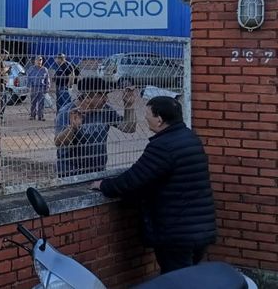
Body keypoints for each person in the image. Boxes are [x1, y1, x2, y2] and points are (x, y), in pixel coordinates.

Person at [91, 96, 216, 275]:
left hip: (177, 232)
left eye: (148, 114)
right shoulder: (190, 138)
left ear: (159, 119)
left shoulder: (163, 146)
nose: (145, 117)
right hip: (200, 227)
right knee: (190, 278)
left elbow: (133, 180)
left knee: (176, 280)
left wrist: (104, 185)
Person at [54, 77, 137, 178]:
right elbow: (59, 143)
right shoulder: (68, 112)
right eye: (102, 95)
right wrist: (72, 128)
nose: (106, 99)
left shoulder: (105, 110)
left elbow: (129, 128)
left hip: (98, 173)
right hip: (71, 174)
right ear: (88, 97)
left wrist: (129, 106)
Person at [26, 56, 50, 121]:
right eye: (38, 60)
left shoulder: (44, 69)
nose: (39, 61)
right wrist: (28, 87)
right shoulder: (31, 69)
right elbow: (28, 78)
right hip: (34, 87)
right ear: (35, 61)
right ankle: (32, 115)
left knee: (41, 103)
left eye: (40, 60)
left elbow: (47, 79)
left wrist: (47, 87)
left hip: (41, 87)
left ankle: (41, 116)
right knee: (33, 102)